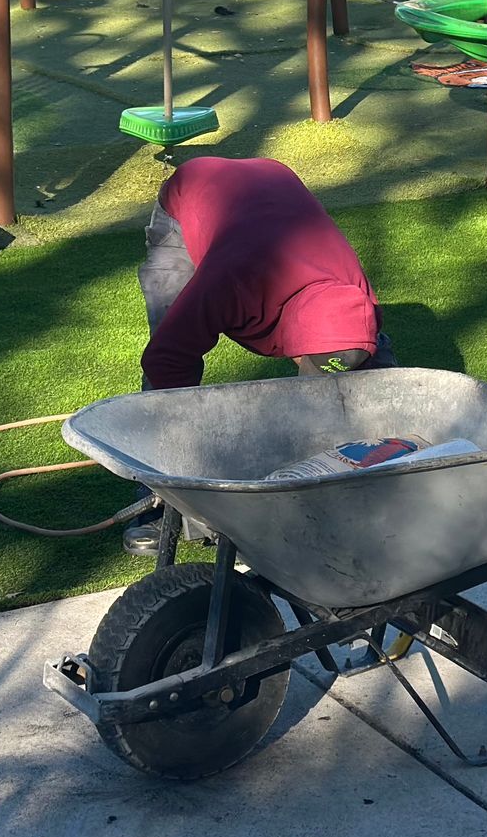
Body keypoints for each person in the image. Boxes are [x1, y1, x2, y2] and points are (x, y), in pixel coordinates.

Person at [127, 155, 396, 552]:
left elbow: (387, 380)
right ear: (299, 346)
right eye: (320, 369)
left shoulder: (358, 296)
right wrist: (179, 456)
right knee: (169, 345)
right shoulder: (229, 282)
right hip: (195, 193)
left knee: (342, 391)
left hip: (273, 183)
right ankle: (153, 504)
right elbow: (168, 359)